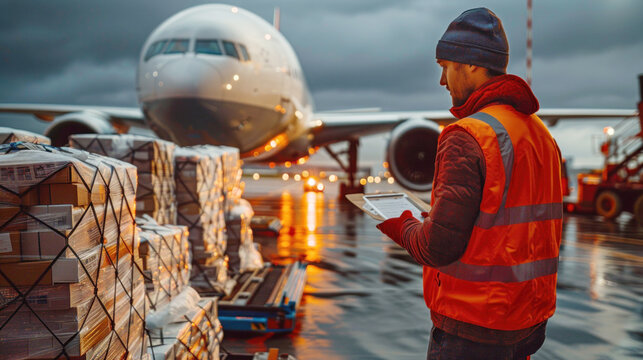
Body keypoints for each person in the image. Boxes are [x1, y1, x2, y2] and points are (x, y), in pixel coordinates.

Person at [376, 8, 563, 360]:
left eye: (445, 67)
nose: (442, 82)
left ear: (473, 65)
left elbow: (438, 248)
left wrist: (400, 225)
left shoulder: (467, 136)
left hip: (474, 326)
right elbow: (506, 222)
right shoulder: (541, 135)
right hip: (526, 322)